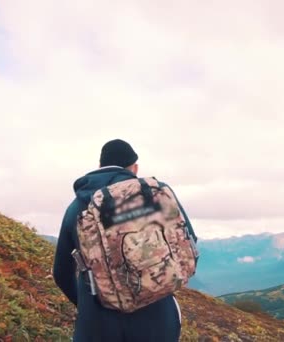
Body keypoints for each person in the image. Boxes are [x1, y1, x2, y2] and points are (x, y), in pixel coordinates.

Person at [53, 139, 197, 342]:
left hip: (97, 324)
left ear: (99, 167)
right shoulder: (156, 195)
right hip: (158, 318)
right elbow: (189, 241)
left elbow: (61, 273)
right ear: (134, 169)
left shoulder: (78, 206)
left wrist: (87, 304)